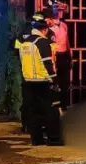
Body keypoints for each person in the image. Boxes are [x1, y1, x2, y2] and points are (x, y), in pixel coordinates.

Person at [15, 13, 64, 146]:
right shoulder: (42, 42)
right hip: (43, 82)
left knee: (33, 112)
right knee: (51, 111)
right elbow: (47, 63)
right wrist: (54, 80)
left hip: (28, 82)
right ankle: (54, 139)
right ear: (45, 29)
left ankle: (37, 140)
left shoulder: (24, 43)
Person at [47, 0, 71, 110]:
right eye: (59, 9)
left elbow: (67, 42)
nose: (61, 12)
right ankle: (54, 108)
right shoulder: (47, 25)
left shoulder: (64, 25)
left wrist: (70, 56)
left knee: (65, 84)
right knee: (54, 84)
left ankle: (64, 106)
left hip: (64, 56)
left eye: (62, 10)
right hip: (53, 57)